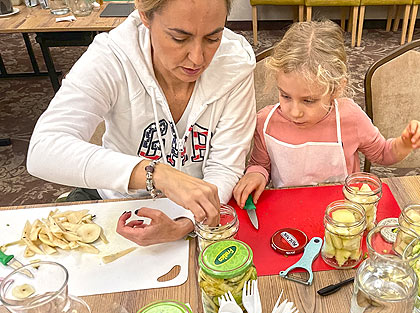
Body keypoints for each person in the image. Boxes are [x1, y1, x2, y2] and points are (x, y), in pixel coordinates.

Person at [27, 0, 256, 246]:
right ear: (145, 15)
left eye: (213, 38)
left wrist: (187, 223)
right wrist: (156, 173)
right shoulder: (112, 57)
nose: (197, 58)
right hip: (118, 204)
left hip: (197, 213)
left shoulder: (235, 66)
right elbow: (43, 149)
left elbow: (224, 166)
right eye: (179, 38)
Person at [232, 21, 420, 208]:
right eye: (285, 96)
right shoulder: (266, 122)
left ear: (336, 89)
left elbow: (382, 154)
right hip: (289, 210)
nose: (294, 111)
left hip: (343, 215)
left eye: (308, 100)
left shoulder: (350, 118)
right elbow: (260, 164)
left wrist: (404, 144)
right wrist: (255, 174)